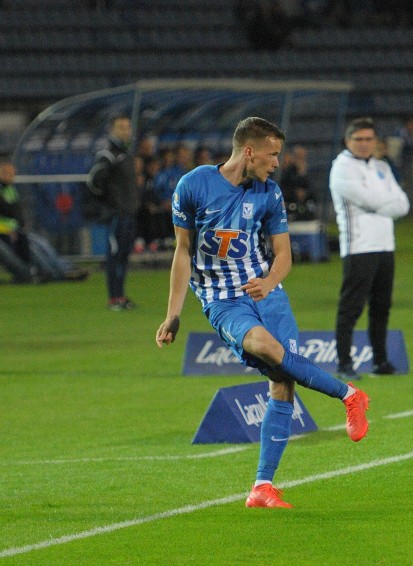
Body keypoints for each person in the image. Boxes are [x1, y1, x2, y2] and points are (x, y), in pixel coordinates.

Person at [155, 116, 370, 509]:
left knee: (282, 381)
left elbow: (284, 254)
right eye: (272, 154)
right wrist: (174, 312)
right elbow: (182, 251)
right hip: (223, 300)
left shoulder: (269, 193)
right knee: (263, 345)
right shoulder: (194, 186)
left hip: (268, 294)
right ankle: (349, 394)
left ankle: (262, 486)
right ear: (249, 151)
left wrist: (269, 283)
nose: (276, 162)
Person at [329, 117, 410, 380]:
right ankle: (344, 363)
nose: (364, 144)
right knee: (351, 308)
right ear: (347, 141)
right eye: (358, 139)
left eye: (368, 139)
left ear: (376, 142)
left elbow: (403, 204)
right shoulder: (341, 168)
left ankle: (380, 361)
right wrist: (385, 204)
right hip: (359, 246)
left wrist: (379, 204)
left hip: (385, 244)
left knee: (381, 306)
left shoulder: (381, 167)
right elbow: (374, 200)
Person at [0, 161, 88, 283]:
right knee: (31, 249)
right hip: (5, 233)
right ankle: (41, 273)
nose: (11, 175)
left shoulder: (10, 189)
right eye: (6, 172)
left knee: (41, 244)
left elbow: (16, 213)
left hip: (13, 231)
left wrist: (19, 227)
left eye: (11, 171)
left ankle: (65, 269)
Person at [87, 115, 140, 309]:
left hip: (128, 213)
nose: (125, 131)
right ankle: (114, 298)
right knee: (115, 255)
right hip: (117, 214)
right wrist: (109, 205)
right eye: (121, 127)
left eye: (127, 127)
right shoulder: (108, 154)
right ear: (111, 130)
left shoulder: (125, 153)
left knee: (123, 256)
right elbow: (93, 181)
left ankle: (120, 296)